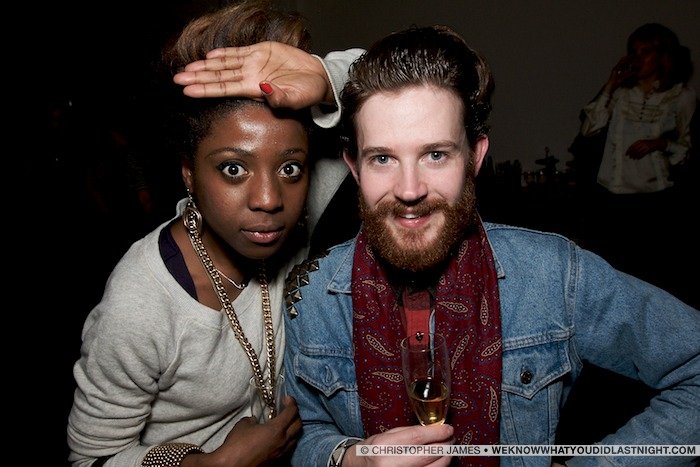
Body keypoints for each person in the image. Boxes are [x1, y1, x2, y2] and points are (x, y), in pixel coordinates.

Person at [282, 25, 700, 467]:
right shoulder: (313, 294)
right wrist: (349, 459)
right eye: (382, 158)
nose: (409, 189)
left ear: (475, 157)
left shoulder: (554, 275)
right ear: (354, 166)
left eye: (436, 155)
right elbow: (304, 432)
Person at [66, 2, 362, 466]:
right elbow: (90, 458)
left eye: (290, 168)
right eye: (233, 169)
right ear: (189, 172)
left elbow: (401, 81)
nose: (269, 199)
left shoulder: (295, 214)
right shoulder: (140, 304)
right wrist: (210, 464)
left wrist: (322, 78)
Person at [577, 23, 696, 298]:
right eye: (634, 51)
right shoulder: (621, 94)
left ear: (662, 57)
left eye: (645, 52)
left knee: (655, 278)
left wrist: (660, 143)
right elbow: (589, 129)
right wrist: (611, 84)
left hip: (654, 200)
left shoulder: (681, 96)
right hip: (613, 197)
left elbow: (686, 148)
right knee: (616, 278)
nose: (637, 58)